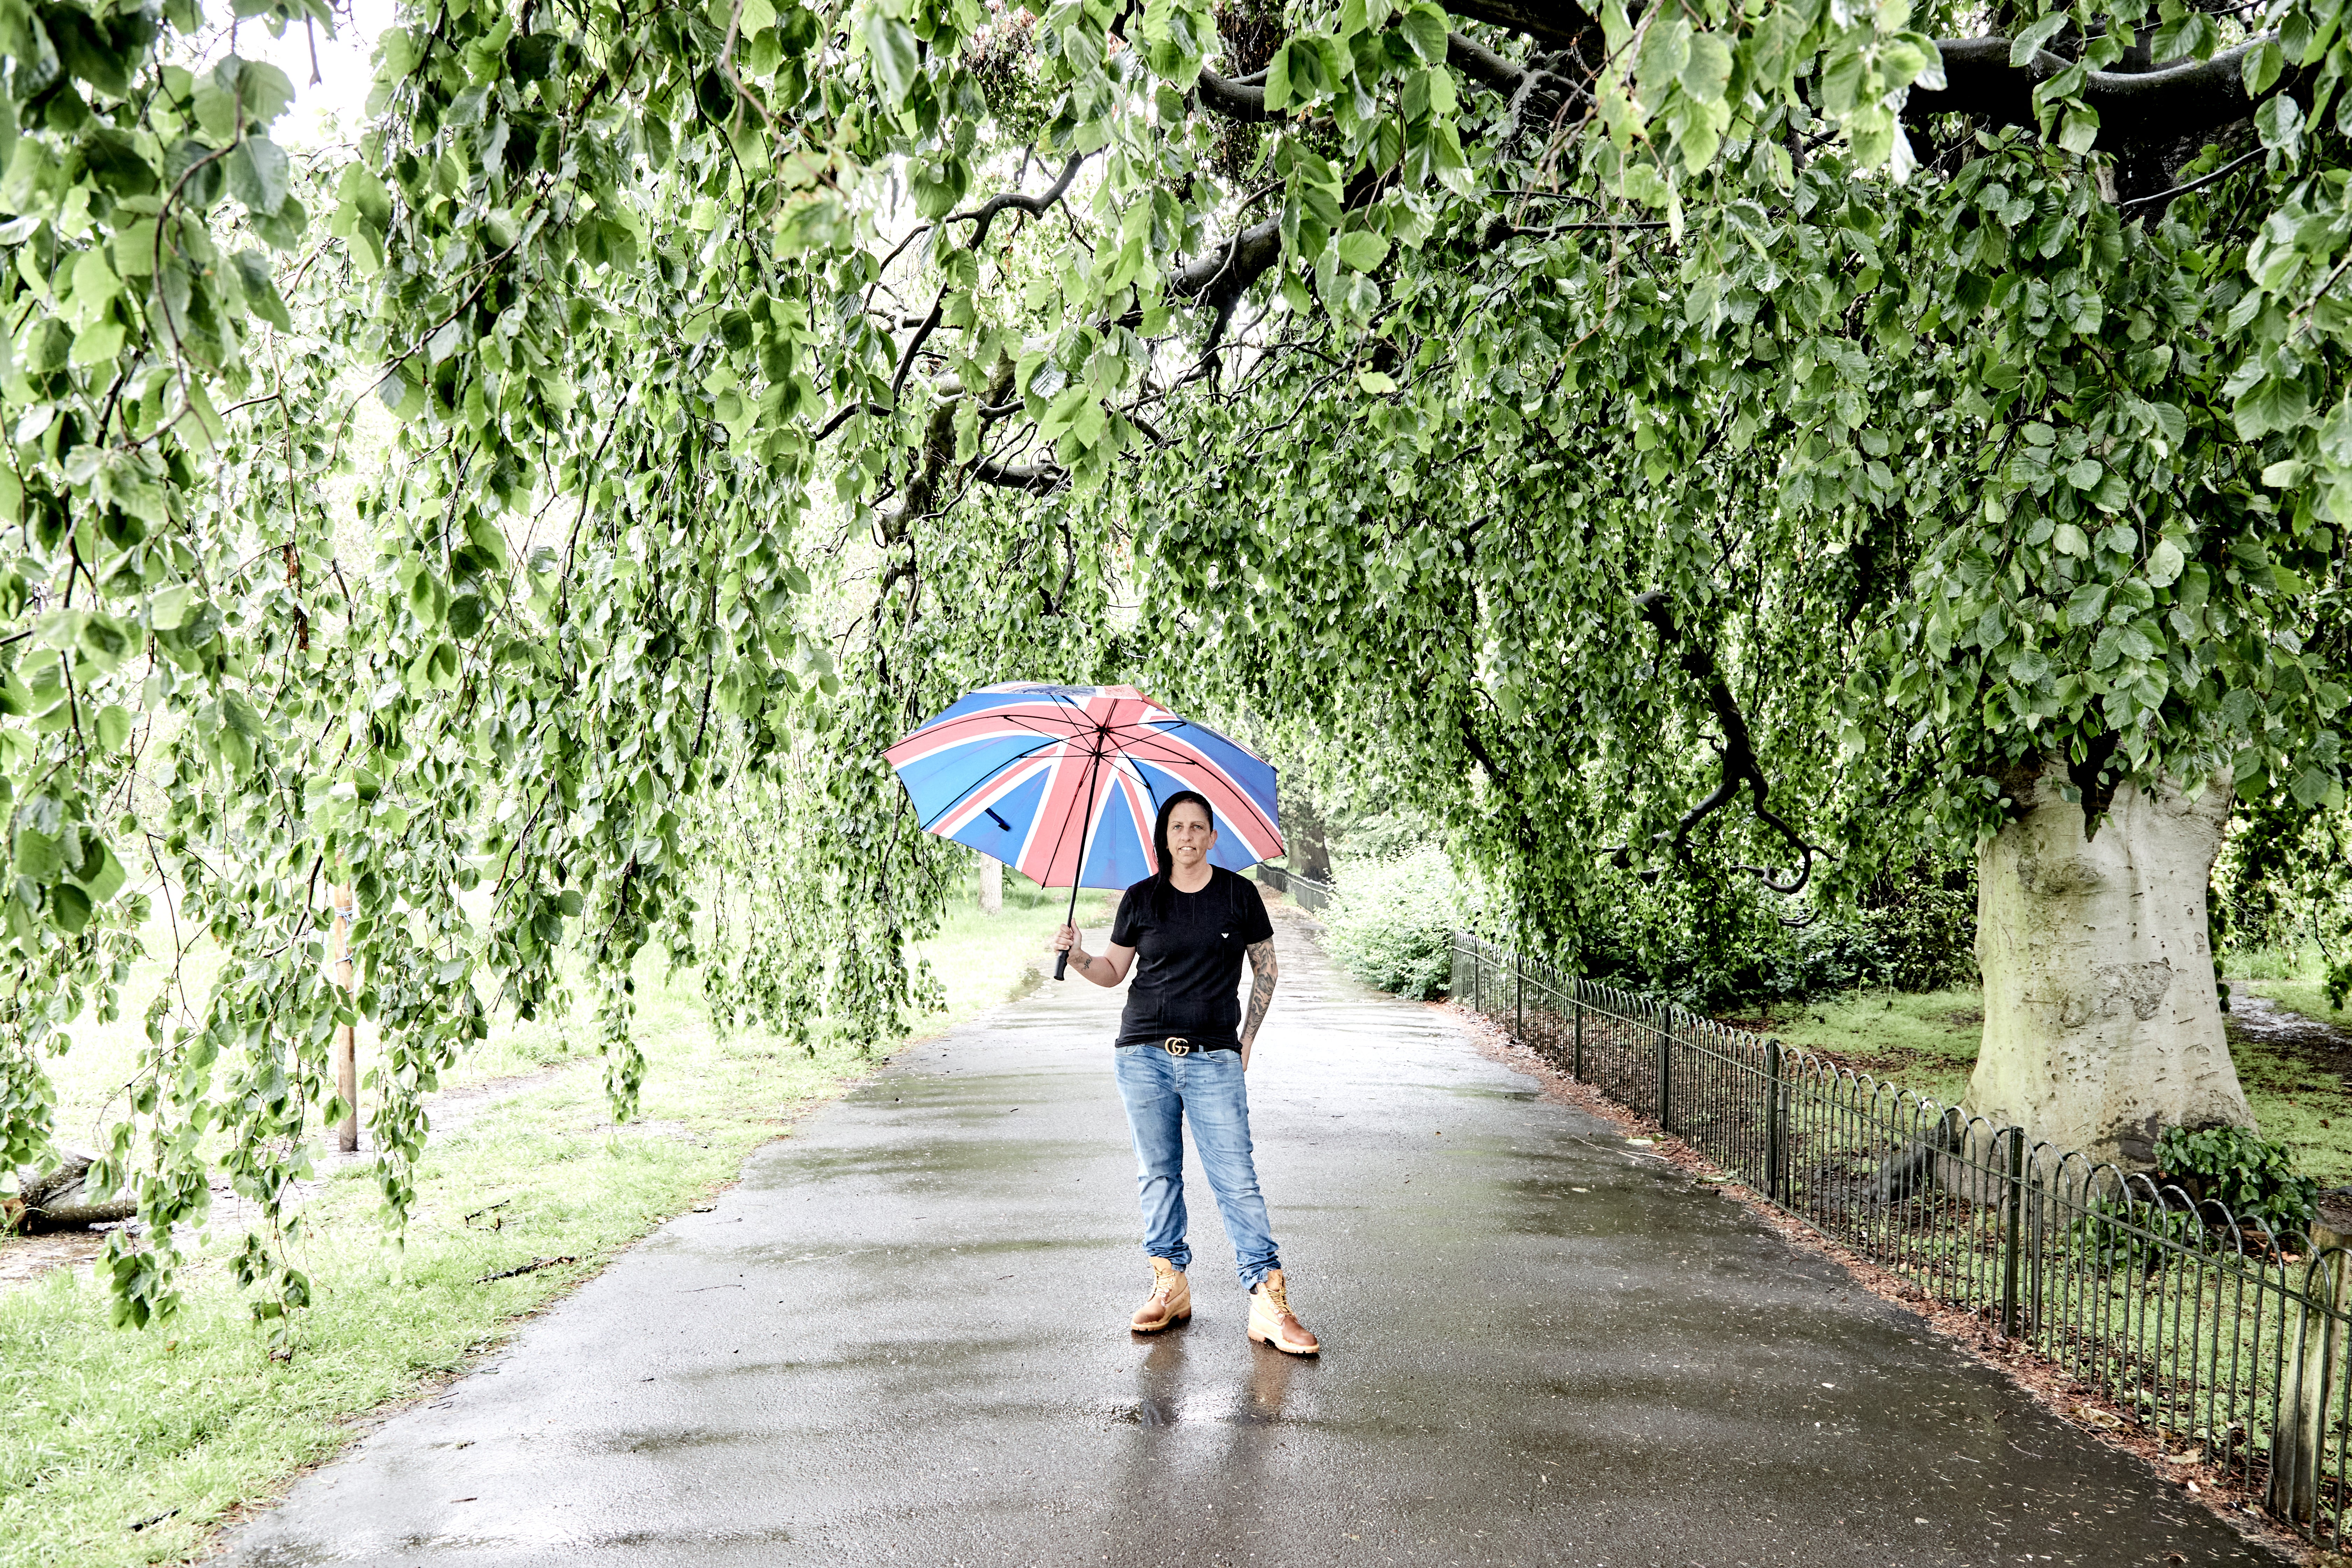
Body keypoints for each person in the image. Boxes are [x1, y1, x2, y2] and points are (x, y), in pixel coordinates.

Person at [1054, 790, 1320, 1355]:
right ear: (1165, 835)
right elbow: (1111, 972)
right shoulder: (1142, 898)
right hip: (1143, 1055)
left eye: (1199, 827)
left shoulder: (1237, 894)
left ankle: (1267, 1300)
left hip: (1213, 1057)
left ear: (1212, 837)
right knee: (1158, 1175)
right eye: (1178, 827)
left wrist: (1246, 1041)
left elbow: (1267, 966)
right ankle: (1170, 1285)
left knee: (1236, 1180)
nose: (1188, 837)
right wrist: (1076, 955)